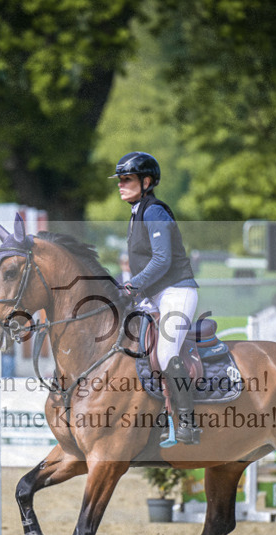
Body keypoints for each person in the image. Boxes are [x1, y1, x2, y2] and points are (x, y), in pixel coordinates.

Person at [111, 151, 200, 447]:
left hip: (176, 291)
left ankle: (186, 422)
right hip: (154, 294)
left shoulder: (154, 212)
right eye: (120, 180)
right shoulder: (137, 212)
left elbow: (162, 260)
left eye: (127, 179)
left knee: (165, 352)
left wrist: (131, 286)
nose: (121, 184)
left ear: (146, 182)